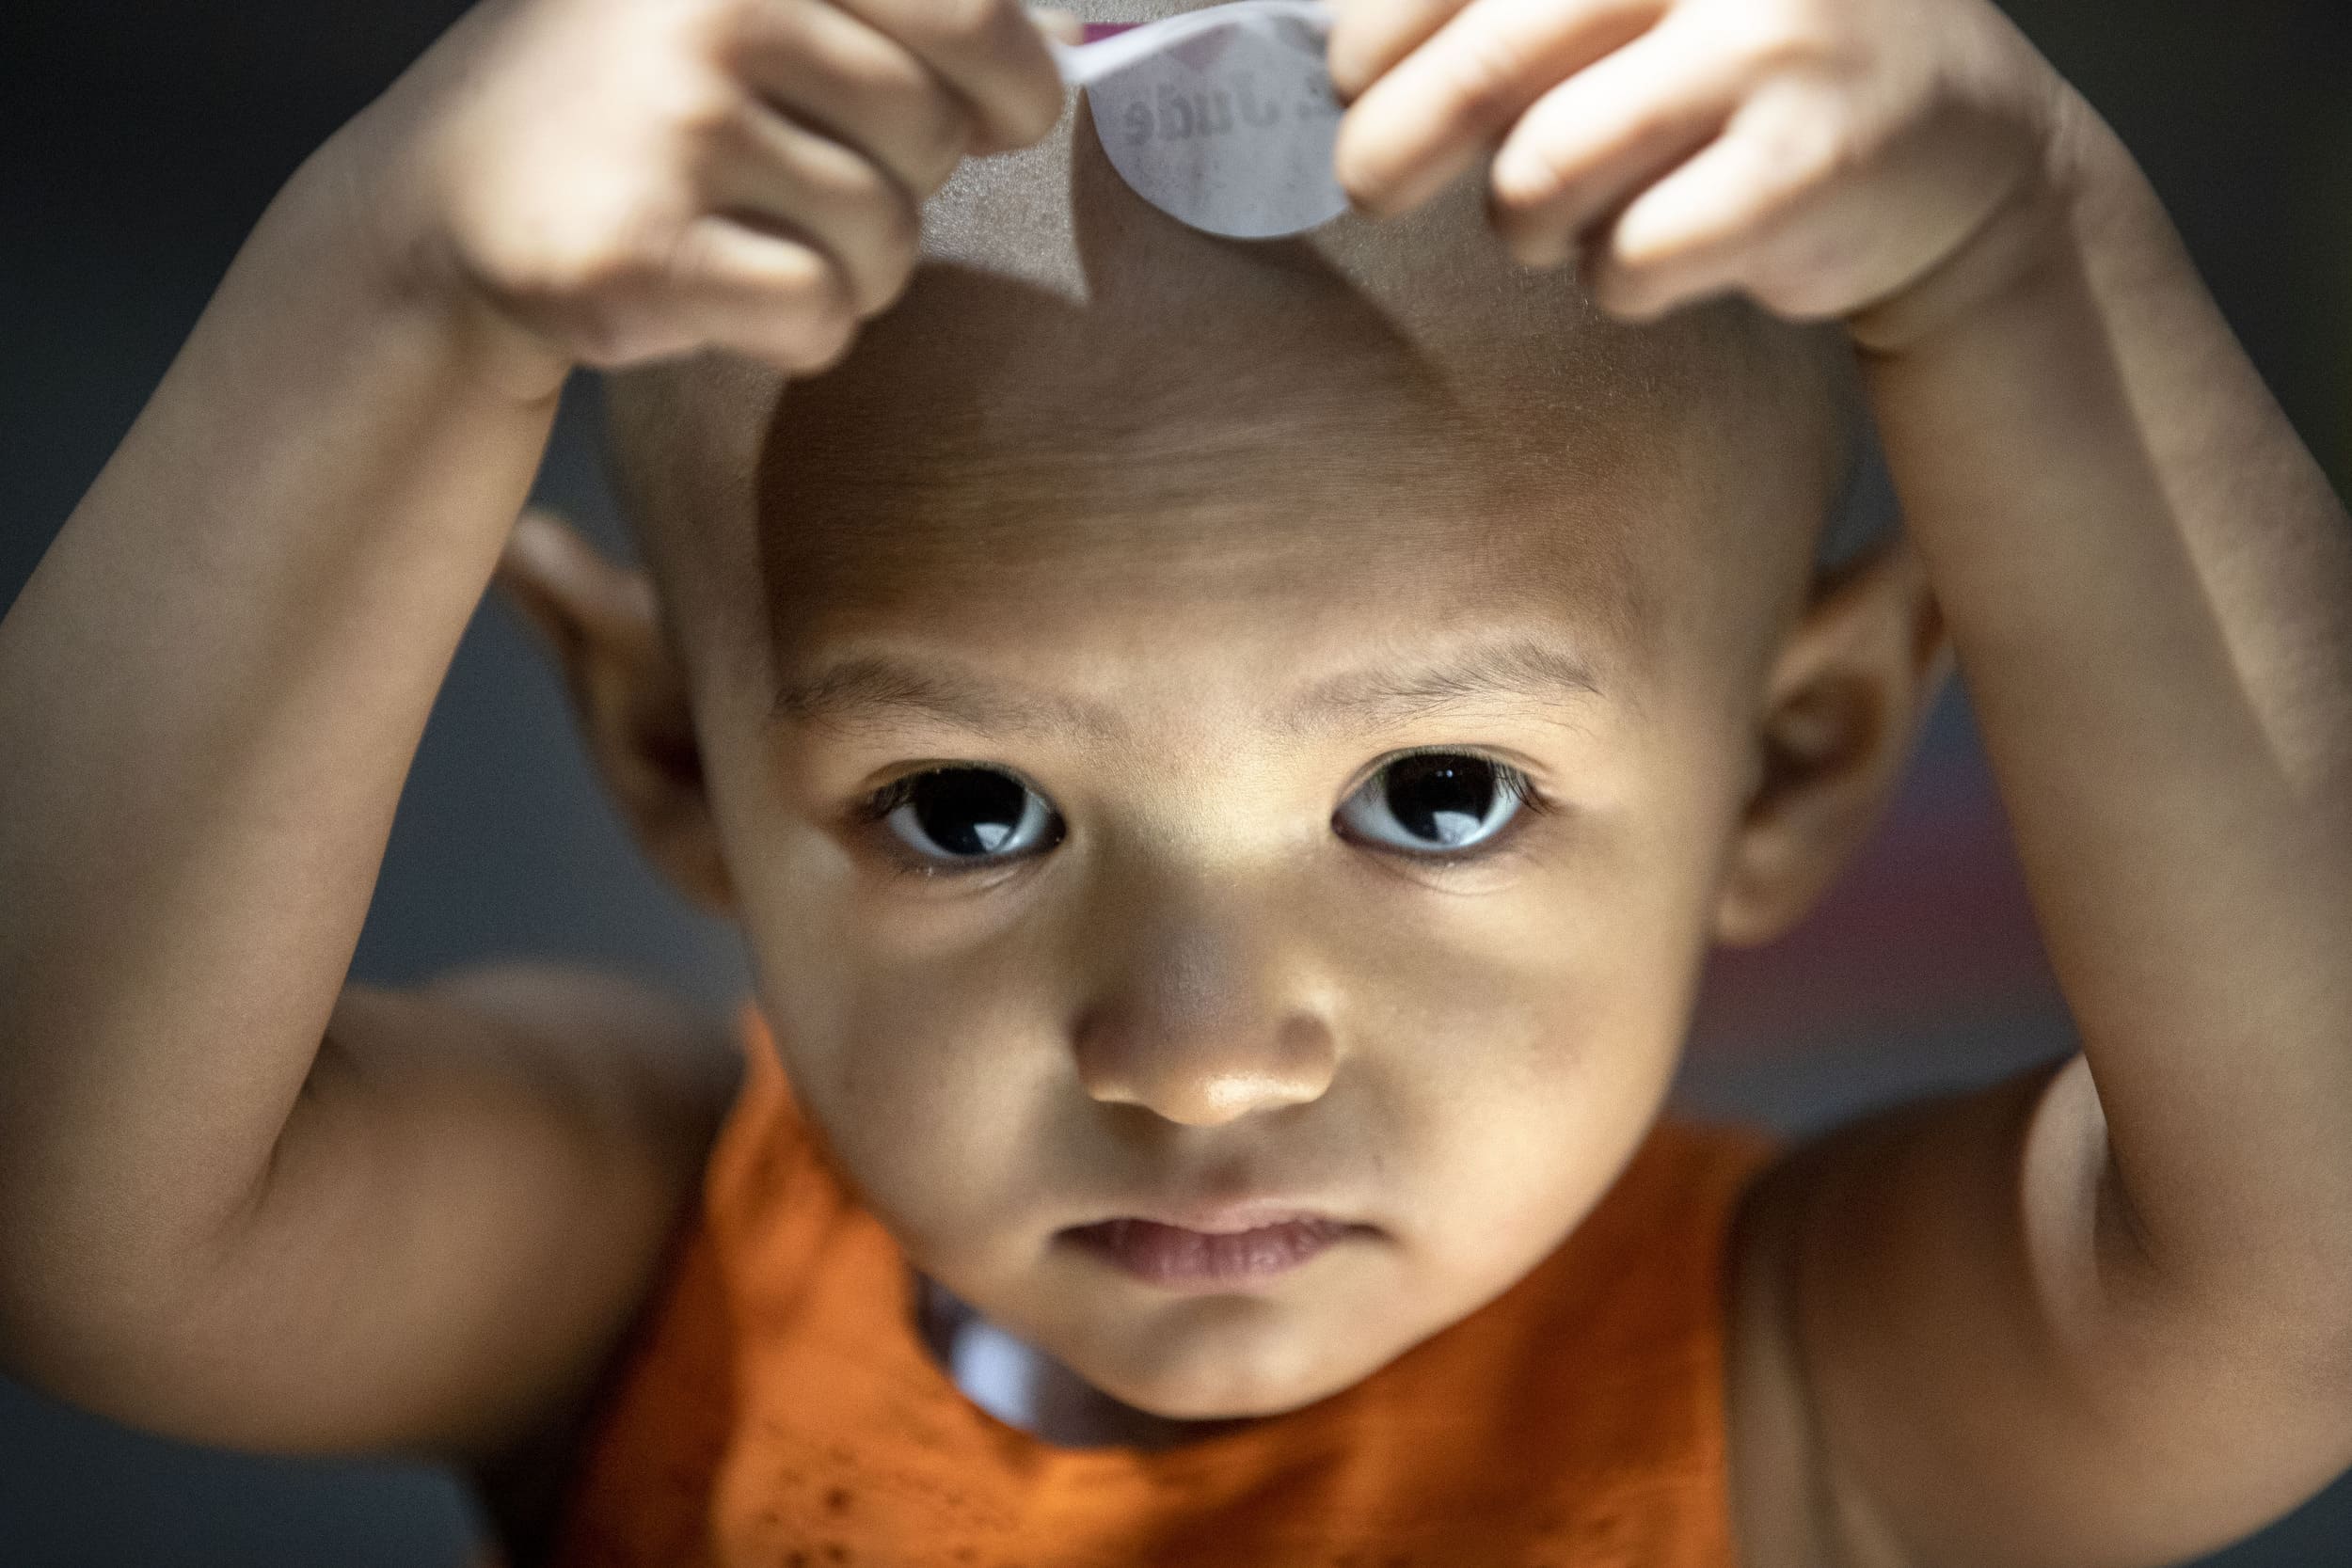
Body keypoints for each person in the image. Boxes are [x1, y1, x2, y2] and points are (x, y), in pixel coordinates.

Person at [1, 0, 2346, 1562]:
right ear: (663, 751)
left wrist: (2032, 256)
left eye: (1434, 792)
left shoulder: (1805, 1374)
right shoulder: (655, 1261)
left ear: (1791, 760)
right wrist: (394, 284)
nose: (1204, 1060)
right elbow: (76, 1213)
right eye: (966, 809)